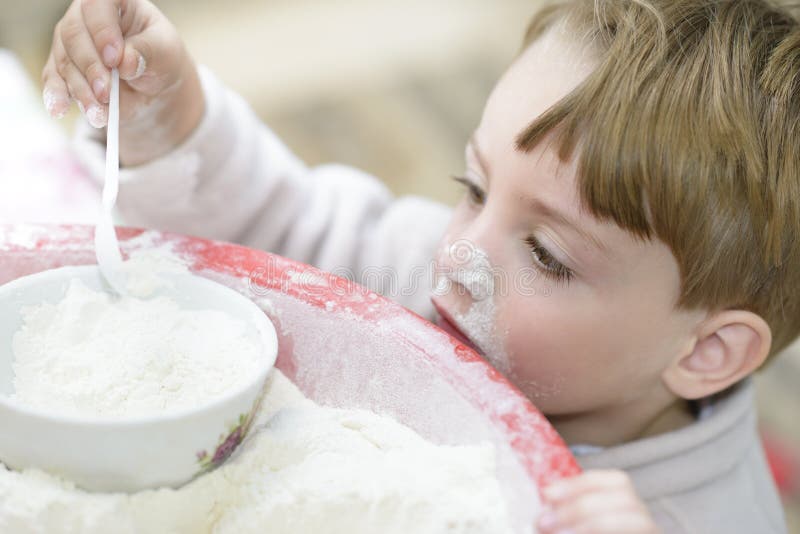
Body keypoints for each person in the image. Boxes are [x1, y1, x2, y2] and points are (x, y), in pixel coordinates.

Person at [42, 0, 797, 532]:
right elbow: (276, 227)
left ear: (705, 352)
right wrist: (169, 118)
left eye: (546, 255)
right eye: (473, 186)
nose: (462, 255)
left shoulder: (705, 519)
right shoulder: (423, 279)